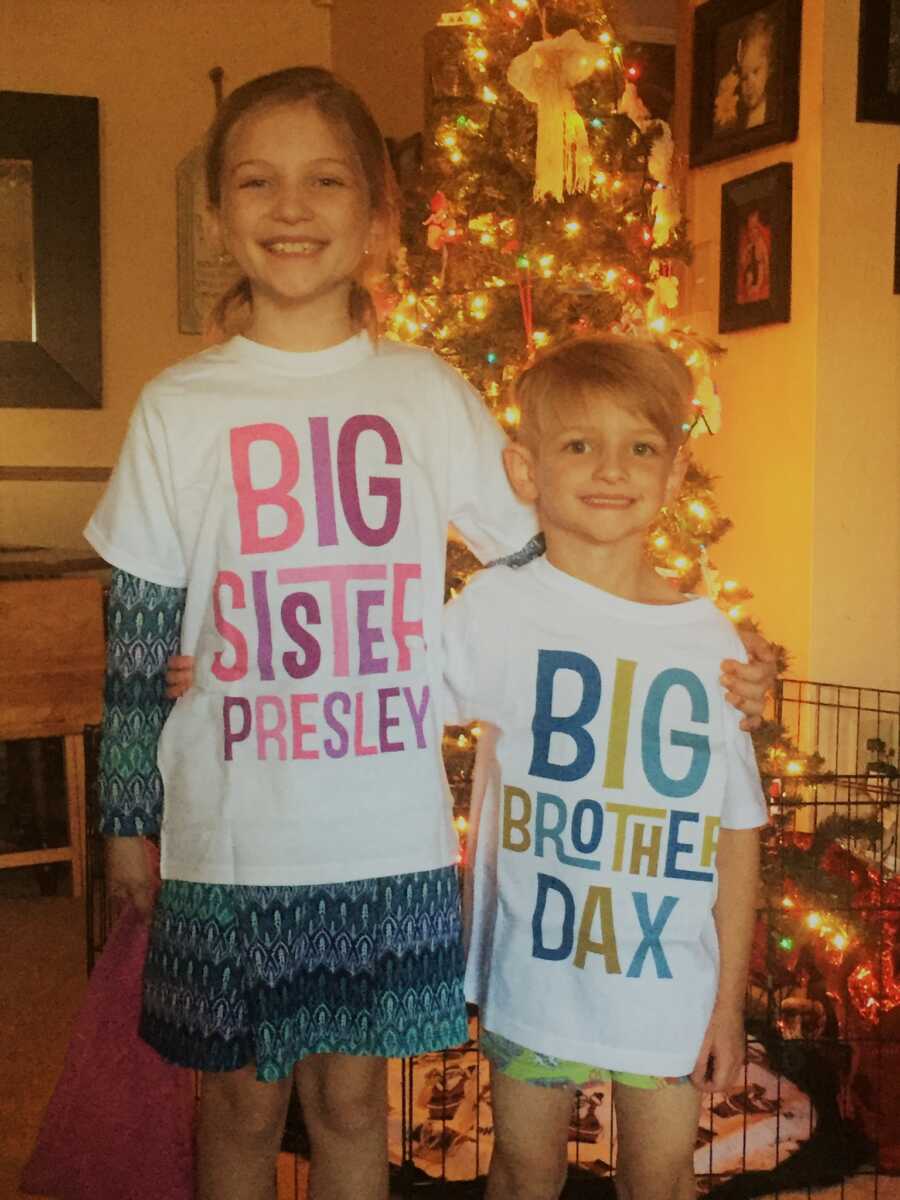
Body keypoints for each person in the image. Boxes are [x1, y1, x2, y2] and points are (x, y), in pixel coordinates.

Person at [92, 66, 774, 1200]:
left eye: (326, 181)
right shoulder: (180, 407)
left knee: (357, 1105)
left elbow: (549, 562)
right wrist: (126, 819)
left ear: (378, 217)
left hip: (382, 831)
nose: (292, 207)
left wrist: (700, 657)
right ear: (218, 213)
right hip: (231, 828)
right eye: (257, 182)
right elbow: (138, 627)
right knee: (241, 1103)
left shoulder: (425, 391)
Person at [441, 337, 768, 1200]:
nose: (610, 468)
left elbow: (737, 833)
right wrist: (231, 676)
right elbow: (383, 705)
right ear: (525, 469)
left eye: (641, 446)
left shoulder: (711, 642)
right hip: (533, 976)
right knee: (522, 1173)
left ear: (673, 471)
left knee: (661, 1179)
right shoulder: (494, 610)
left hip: (667, 987)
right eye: (578, 444)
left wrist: (727, 1005)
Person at [714, 11, 775, 134]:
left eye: (756, 71)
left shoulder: (775, 111)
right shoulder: (738, 117)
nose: (749, 84)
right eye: (744, 77)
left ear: (770, 67)